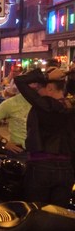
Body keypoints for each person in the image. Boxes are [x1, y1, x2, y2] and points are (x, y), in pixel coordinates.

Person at [14, 67, 75, 208]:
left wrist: (46, 76)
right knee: (58, 217)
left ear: (50, 88)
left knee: (37, 213)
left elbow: (20, 81)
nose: (37, 91)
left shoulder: (45, 104)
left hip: (41, 165)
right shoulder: (70, 107)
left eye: (40, 88)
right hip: (66, 168)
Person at [0, 91, 30, 155]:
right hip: (21, 151)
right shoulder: (12, 102)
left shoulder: (45, 101)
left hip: (45, 151)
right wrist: (4, 142)